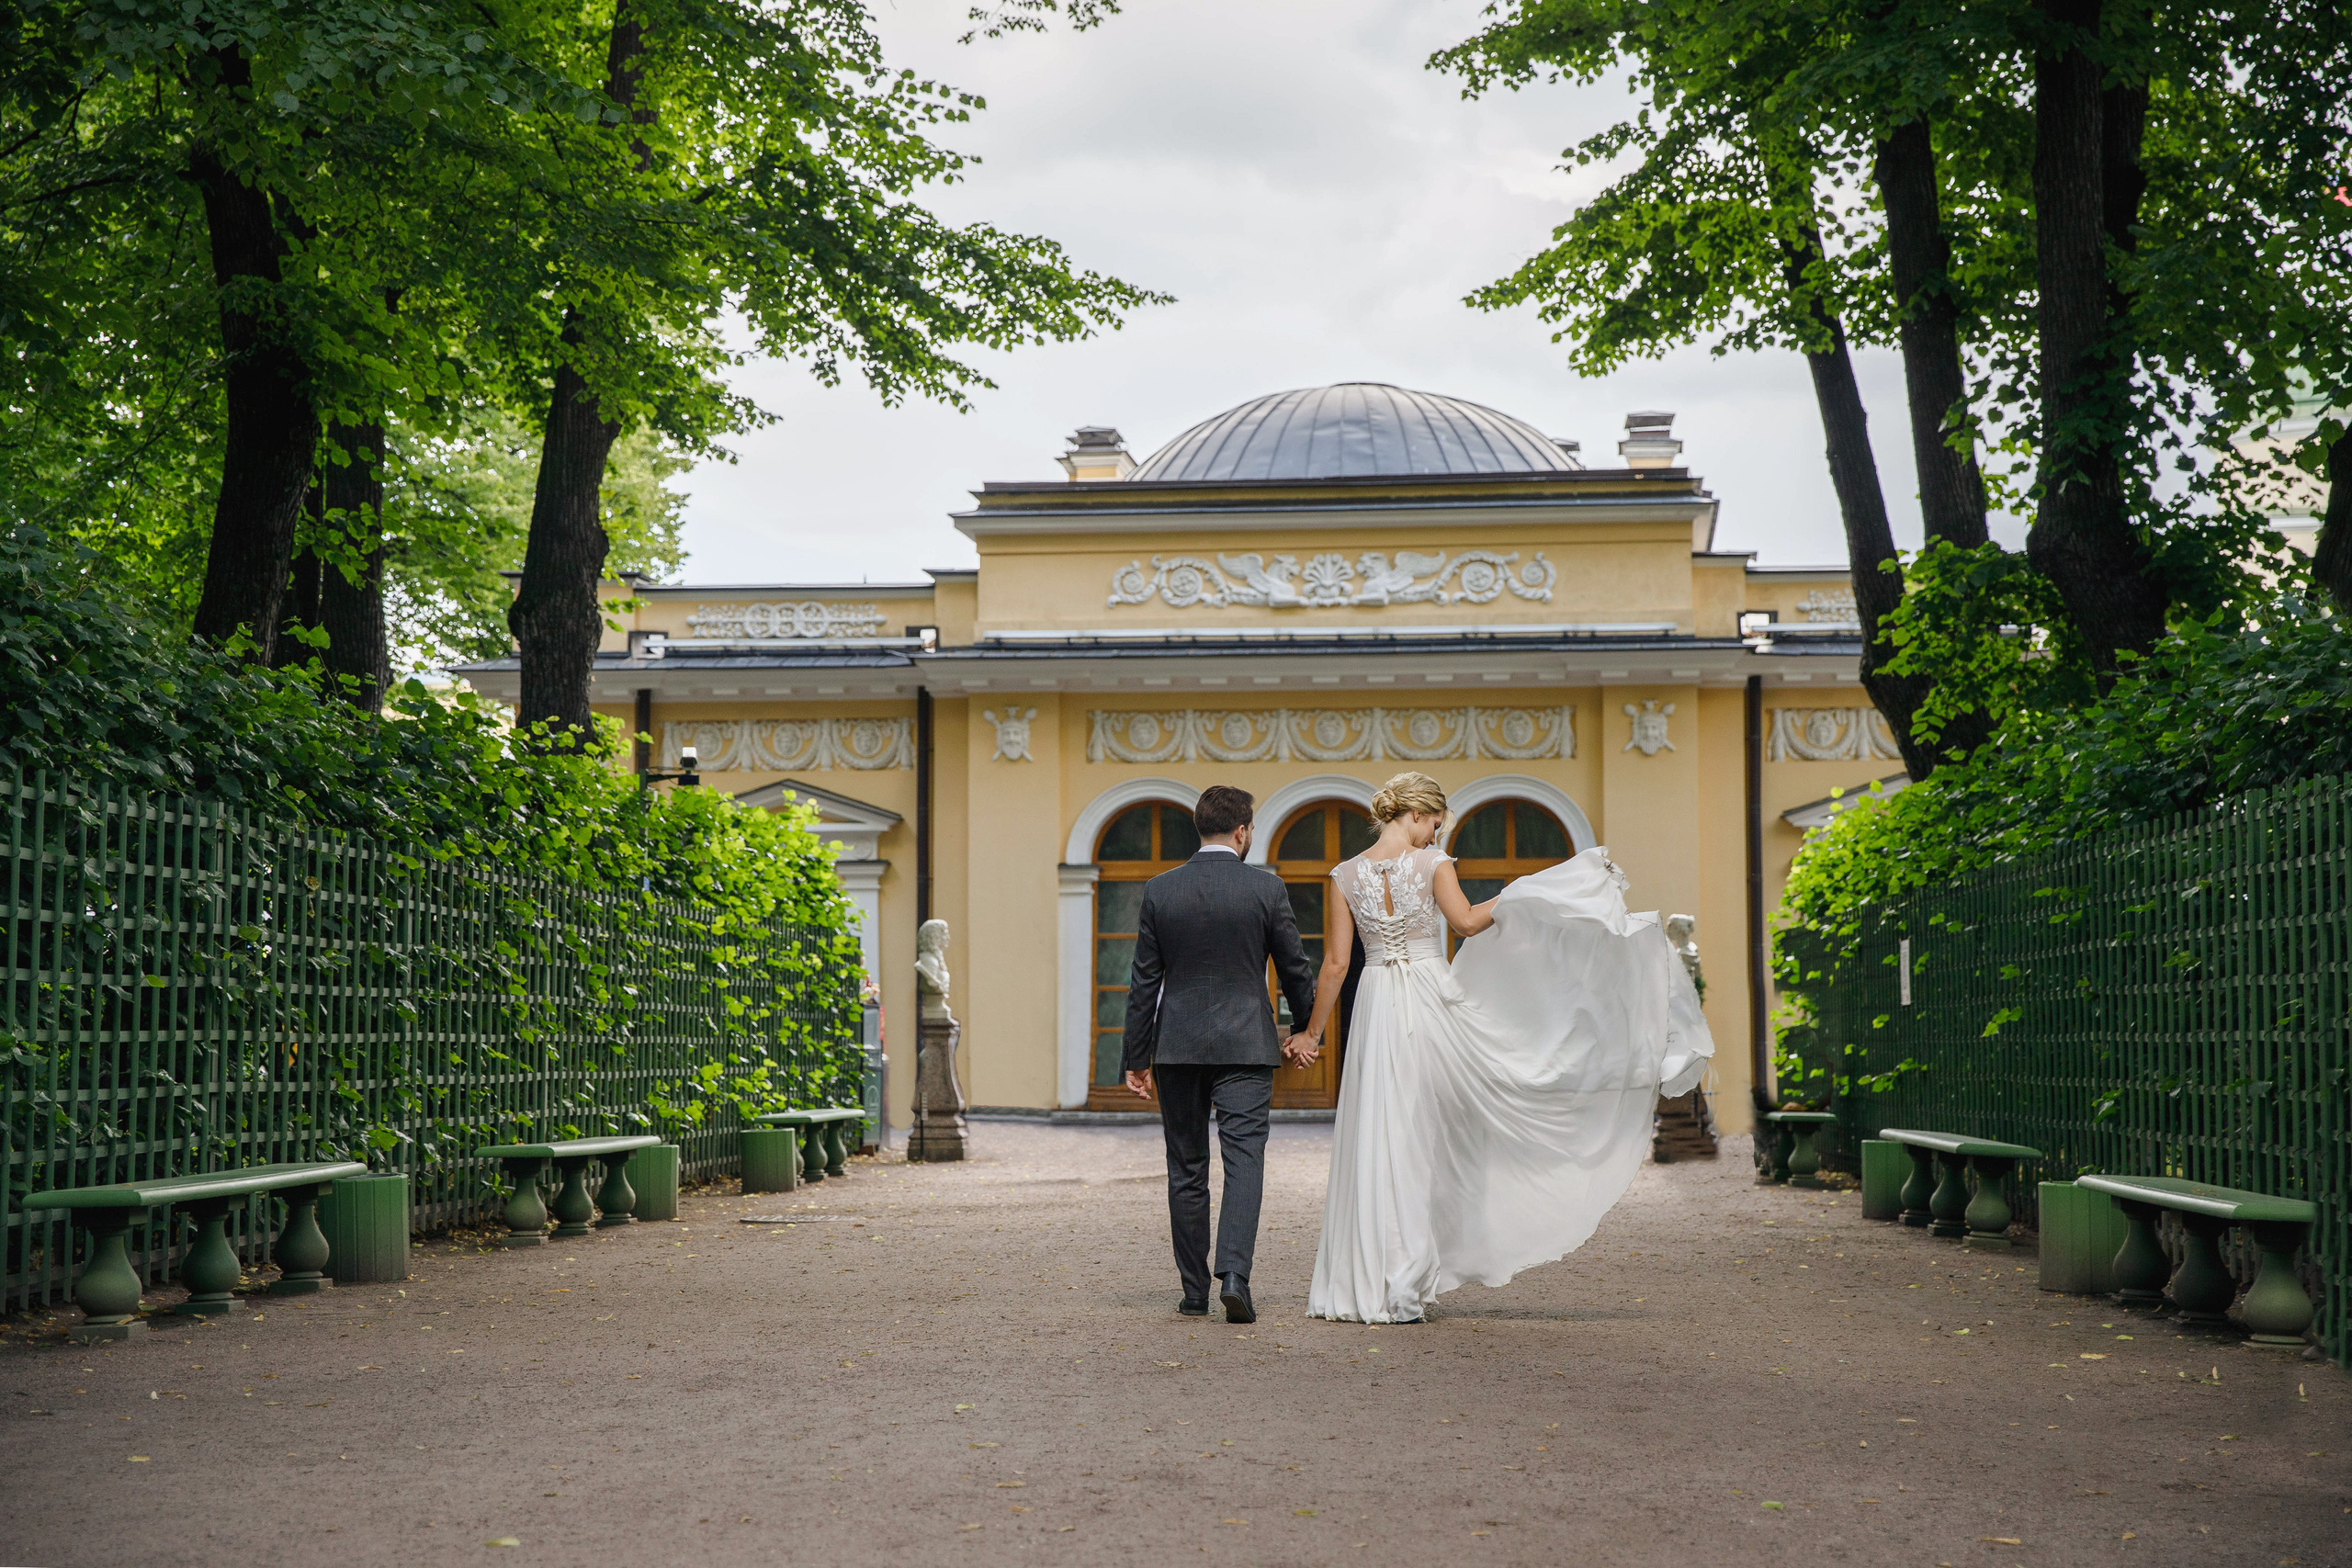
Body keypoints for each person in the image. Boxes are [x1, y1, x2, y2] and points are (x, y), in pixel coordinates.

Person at [1291, 772, 1713, 1325]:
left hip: (1375, 1003)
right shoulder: (1434, 864)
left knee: (1379, 1131)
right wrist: (1523, 894)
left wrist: (1312, 1035)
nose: (1434, 835)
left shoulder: (1345, 875)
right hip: (1426, 997)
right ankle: (1406, 1283)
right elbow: (1466, 922)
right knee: (1423, 1136)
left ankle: (1366, 1282)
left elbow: (1336, 965)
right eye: (1434, 824)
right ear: (1417, 814)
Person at [1119, 784, 1319, 1324]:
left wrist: (1136, 1058)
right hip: (1247, 1047)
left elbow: (1143, 984)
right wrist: (1306, 1030)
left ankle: (1192, 1292)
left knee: (1185, 1167)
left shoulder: (1161, 890)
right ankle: (1234, 1274)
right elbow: (1295, 967)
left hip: (1177, 1047)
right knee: (1244, 1160)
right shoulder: (1265, 888)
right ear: (1242, 831)